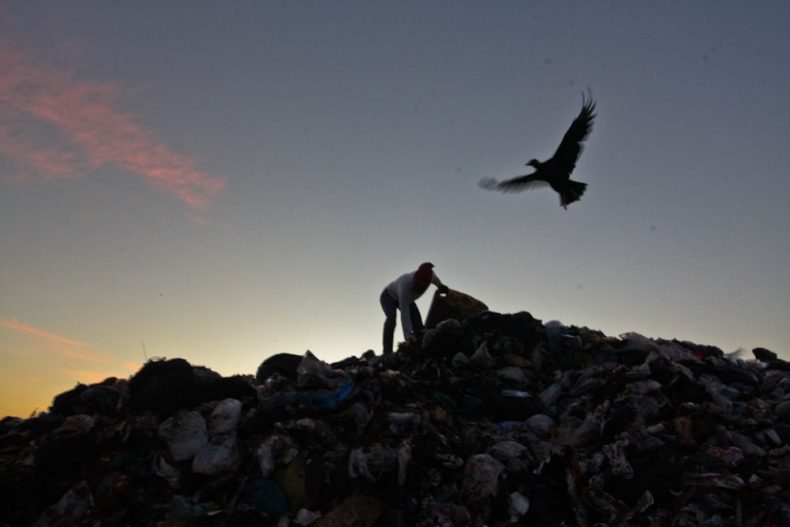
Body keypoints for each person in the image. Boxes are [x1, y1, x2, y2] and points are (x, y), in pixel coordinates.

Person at [380, 262, 448, 354]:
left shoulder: (431, 275)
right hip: (388, 296)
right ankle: (387, 351)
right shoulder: (405, 286)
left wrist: (441, 286)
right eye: (416, 287)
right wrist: (408, 337)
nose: (417, 290)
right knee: (391, 318)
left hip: (408, 299)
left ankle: (421, 344)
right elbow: (405, 315)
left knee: (418, 325)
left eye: (420, 288)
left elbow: (436, 280)